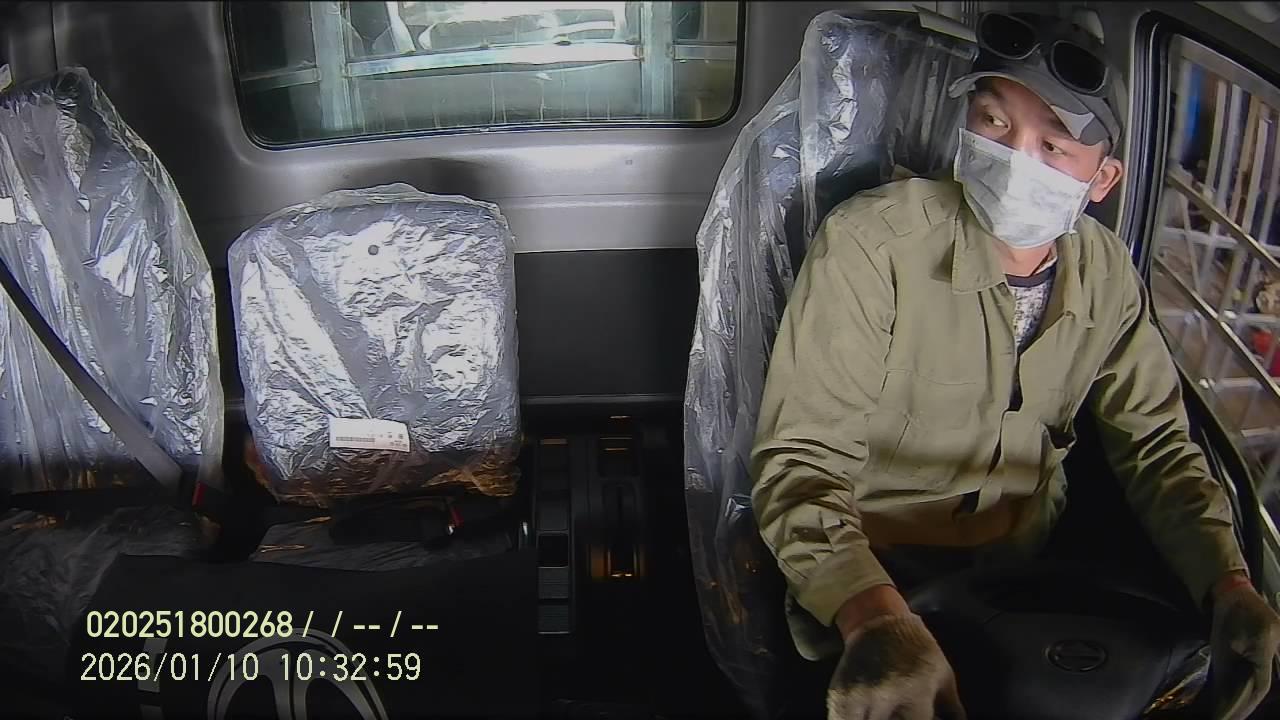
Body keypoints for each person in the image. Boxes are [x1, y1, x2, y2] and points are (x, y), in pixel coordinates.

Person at [750, 11, 1280, 720]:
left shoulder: (1106, 272)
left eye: (1052, 145)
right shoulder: (872, 244)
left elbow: (1156, 444)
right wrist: (873, 616)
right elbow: (801, 458)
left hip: (1030, 574)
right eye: (993, 122)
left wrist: (1229, 582)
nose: (1014, 158)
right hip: (877, 576)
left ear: (1103, 179)